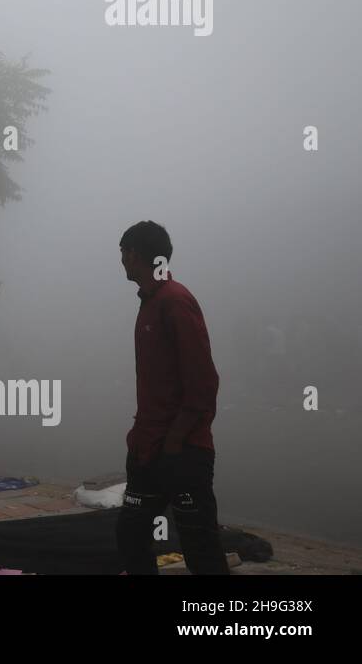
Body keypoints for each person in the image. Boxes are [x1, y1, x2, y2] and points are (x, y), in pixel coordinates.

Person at [115, 221, 227, 575]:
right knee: (131, 533)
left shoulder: (175, 301)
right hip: (148, 448)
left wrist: (176, 441)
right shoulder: (150, 302)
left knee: (200, 547)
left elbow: (204, 381)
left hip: (182, 452)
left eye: (123, 253)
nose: (121, 261)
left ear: (133, 254)